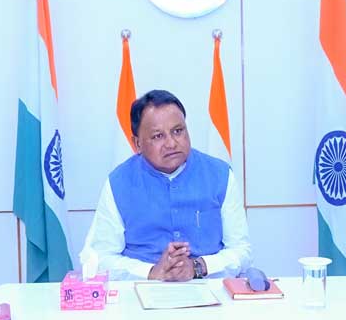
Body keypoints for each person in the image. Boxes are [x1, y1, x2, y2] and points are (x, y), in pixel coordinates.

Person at [81, 89, 252, 281]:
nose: (171, 143)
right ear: (137, 144)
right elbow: (99, 257)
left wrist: (198, 267)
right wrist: (151, 272)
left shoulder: (219, 175)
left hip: (208, 286)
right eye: (158, 136)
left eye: (178, 131)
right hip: (141, 288)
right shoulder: (119, 182)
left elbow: (241, 250)